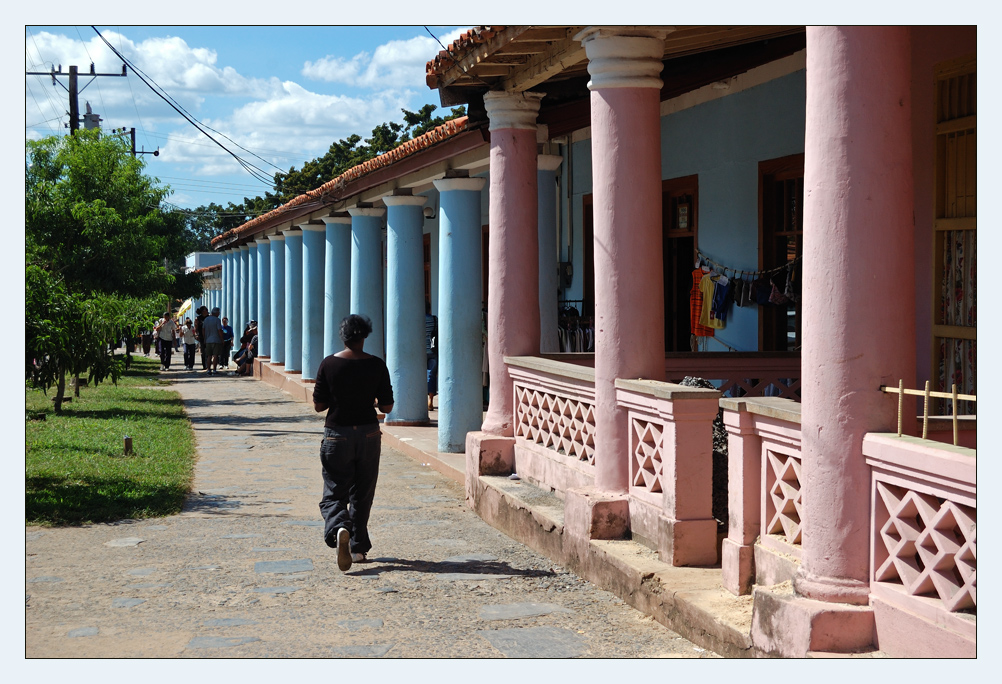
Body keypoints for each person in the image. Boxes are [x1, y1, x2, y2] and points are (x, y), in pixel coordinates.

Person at [313, 314, 394, 573]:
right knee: (363, 493)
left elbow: (318, 406)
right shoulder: (377, 365)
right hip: (369, 434)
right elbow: (387, 406)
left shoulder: (328, 365)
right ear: (365, 336)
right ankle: (358, 548)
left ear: (343, 336)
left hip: (337, 434)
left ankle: (340, 528)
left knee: (334, 492)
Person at [201, 307, 225, 375]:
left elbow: (203, 329)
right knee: (215, 355)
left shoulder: (206, 319)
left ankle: (208, 369)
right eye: (218, 313)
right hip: (216, 340)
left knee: (209, 356)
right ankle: (214, 369)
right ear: (216, 313)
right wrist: (222, 339)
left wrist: (205, 338)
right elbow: (219, 330)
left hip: (208, 340)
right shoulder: (217, 320)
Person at [425, 301, 438, 411]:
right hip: (433, 351)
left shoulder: (417, 320)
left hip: (420, 352)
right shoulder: (434, 319)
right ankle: (430, 400)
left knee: (420, 377)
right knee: (431, 375)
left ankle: (422, 400)